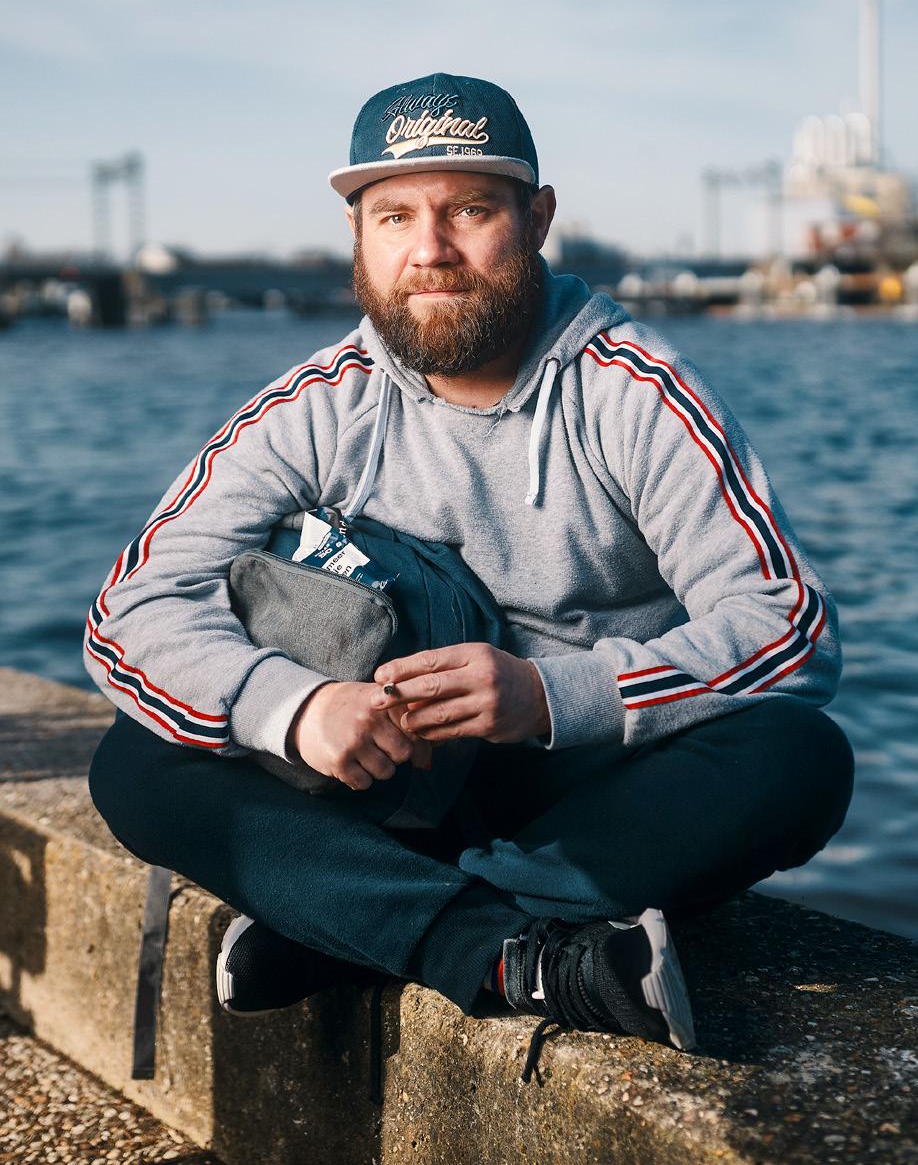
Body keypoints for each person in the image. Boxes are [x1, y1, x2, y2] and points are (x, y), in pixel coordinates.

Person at [85, 72, 854, 1084]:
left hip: (577, 789)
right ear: (357, 235)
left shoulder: (633, 388)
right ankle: (509, 950)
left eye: (470, 210)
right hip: (376, 778)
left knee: (798, 758)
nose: (430, 248)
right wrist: (296, 706)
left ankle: (350, 921)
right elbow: (131, 608)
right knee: (136, 760)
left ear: (535, 219)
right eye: (395, 216)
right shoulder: (319, 402)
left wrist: (549, 693)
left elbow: (789, 626)